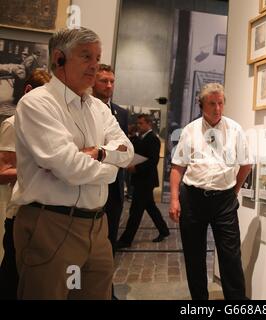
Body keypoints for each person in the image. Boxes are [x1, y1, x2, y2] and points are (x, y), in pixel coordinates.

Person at [11, 27, 134, 300]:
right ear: (59, 58)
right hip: (53, 225)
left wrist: (99, 154)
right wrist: (109, 167)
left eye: (98, 57)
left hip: (96, 227)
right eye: (86, 56)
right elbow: (70, 167)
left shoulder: (99, 108)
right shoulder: (38, 104)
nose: (95, 66)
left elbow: (127, 152)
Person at [169, 83, 252, 300]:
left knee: (231, 256)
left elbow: (246, 164)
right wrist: (174, 200)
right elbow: (178, 167)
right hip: (193, 199)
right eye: (212, 103)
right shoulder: (190, 130)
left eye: (221, 103)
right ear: (202, 105)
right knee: (194, 255)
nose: (217, 108)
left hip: (224, 200)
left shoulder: (234, 129)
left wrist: (234, 190)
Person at [0, 70, 51, 300]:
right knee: (12, 276)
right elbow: (2, 172)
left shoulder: (40, 126)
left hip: (38, 212)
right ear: (28, 91)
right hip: (17, 212)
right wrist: (45, 168)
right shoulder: (13, 124)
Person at [117, 114, 170, 247]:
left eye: (141, 123)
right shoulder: (141, 138)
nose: (138, 125)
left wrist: (136, 168)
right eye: (138, 123)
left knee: (136, 211)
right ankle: (164, 230)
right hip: (141, 179)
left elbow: (153, 161)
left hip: (145, 180)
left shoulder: (153, 139)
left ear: (149, 124)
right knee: (150, 207)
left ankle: (126, 240)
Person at [92, 64, 128, 253]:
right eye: (103, 81)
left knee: (109, 237)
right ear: (93, 82)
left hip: (114, 185)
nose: (108, 85)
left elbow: (124, 147)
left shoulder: (121, 113)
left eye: (112, 81)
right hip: (91, 180)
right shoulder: (85, 107)